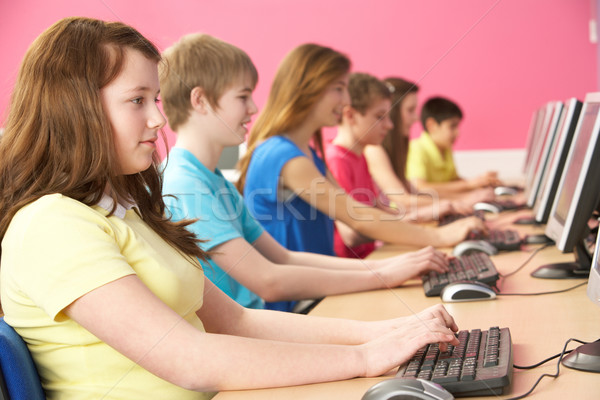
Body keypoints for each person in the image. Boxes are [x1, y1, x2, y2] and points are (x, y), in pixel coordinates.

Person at [0, 17, 460, 399]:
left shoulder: (125, 210)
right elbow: (190, 358)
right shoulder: (51, 225)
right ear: (74, 109)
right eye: (137, 101)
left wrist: (387, 333)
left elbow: (236, 320)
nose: (159, 119)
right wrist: (363, 358)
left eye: (155, 100)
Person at [159, 34, 451, 313]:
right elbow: (268, 281)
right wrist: (386, 274)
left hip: (275, 313)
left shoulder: (210, 179)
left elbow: (284, 257)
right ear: (200, 101)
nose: (254, 107)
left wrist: (389, 268)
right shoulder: (186, 184)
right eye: (243, 96)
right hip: (269, 319)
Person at [236, 44, 485, 262]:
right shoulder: (282, 155)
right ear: (310, 88)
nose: (345, 99)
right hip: (295, 301)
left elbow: (359, 211)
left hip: (315, 286)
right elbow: (357, 219)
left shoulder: (308, 153)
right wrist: (438, 236)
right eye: (339, 88)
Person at [363, 78, 494, 218]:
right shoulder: (374, 150)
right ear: (392, 112)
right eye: (410, 110)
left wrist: (468, 195)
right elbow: (403, 201)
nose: (416, 118)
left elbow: (414, 192)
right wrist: (460, 200)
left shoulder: (399, 148)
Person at [406, 96, 502, 196]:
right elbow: (419, 187)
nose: (458, 133)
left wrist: (480, 182)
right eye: (452, 126)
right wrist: (469, 184)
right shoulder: (416, 149)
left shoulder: (446, 149)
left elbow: (453, 181)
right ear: (431, 125)